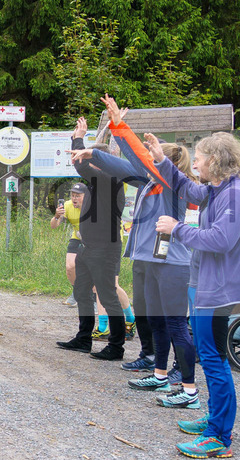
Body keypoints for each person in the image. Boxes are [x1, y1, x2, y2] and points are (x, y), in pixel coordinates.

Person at [151, 131, 240, 459]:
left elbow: (221, 240)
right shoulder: (217, 189)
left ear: (215, 160)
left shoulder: (236, 194)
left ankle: (219, 437)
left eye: (198, 158)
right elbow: (186, 187)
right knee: (211, 355)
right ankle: (215, 419)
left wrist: (177, 229)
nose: (194, 163)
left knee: (213, 358)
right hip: (205, 285)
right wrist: (161, 160)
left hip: (219, 289)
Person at [98, 95, 198, 405]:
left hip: (172, 263)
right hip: (153, 259)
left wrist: (119, 125)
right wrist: (98, 145)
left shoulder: (173, 183)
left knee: (175, 324)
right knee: (157, 321)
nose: (148, 161)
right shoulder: (154, 182)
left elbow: (138, 158)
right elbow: (128, 162)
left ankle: (189, 389)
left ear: (165, 163)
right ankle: (159, 374)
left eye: (154, 158)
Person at [56, 117, 127, 359]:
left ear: (102, 162)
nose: (87, 161)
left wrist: (79, 139)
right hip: (87, 248)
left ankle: (116, 347)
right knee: (81, 292)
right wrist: (77, 140)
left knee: (107, 297)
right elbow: (82, 166)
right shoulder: (97, 183)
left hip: (104, 250)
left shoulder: (111, 180)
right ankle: (84, 338)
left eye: (91, 158)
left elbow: (81, 166)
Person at [50, 183, 88, 306]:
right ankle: (76, 292)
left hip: (93, 239)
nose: (74, 199)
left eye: (78, 196)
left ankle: (93, 298)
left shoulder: (92, 206)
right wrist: (57, 216)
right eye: (72, 195)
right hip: (77, 237)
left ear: (86, 196)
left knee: (92, 268)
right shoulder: (67, 205)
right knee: (70, 267)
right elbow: (53, 226)